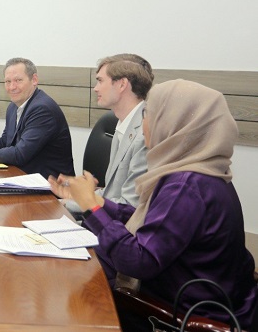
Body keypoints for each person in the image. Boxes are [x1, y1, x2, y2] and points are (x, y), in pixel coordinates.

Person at [49, 80, 257, 331]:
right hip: (211, 295)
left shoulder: (186, 185)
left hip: (184, 313)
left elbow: (137, 261)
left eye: (148, 115)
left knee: (70, 296)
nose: (143, 125)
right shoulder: (198, 170)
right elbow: (152, 219)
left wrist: (92, 208)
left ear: (174, 124)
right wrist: (99, 202)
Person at [65, 54, 153, 216]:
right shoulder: (123, 123)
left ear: (122, 84)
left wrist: (77, 201)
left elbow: (129, 207)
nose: (95, 88)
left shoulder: (144, 135)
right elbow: (109, 194)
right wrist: (66, 201)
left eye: (100, 81)